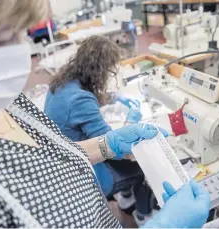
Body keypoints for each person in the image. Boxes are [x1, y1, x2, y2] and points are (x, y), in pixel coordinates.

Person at [0, 0, 210, 228]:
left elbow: (47, 158)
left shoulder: (1, 100)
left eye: (23, 34)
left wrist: (106, 145)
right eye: (2, 37)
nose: (22, 54)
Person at [45, 35, 155, 225]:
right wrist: (131, 121)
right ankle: (143, 216)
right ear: (100, 71)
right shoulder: (80, 100)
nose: (109, 77)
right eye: (109, 72)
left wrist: (116, 97)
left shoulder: (64, 80)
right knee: (140, 171)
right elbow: (114, 149)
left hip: (64, 159)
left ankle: (126, 198)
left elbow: (91, 96)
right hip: (83, 172)